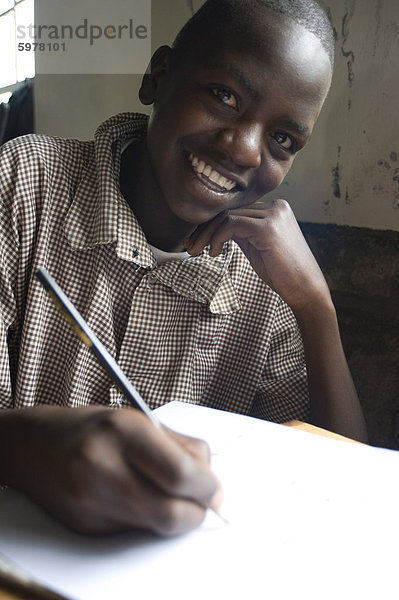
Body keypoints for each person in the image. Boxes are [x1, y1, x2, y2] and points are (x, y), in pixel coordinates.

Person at [0, 0, 368, 536]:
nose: (243, 148)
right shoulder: (26, 182)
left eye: (282, 140)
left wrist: (316, 308)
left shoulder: (266, 281)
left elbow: (348, 493)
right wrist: (24, 446)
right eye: (223, 96)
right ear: (158, 77)